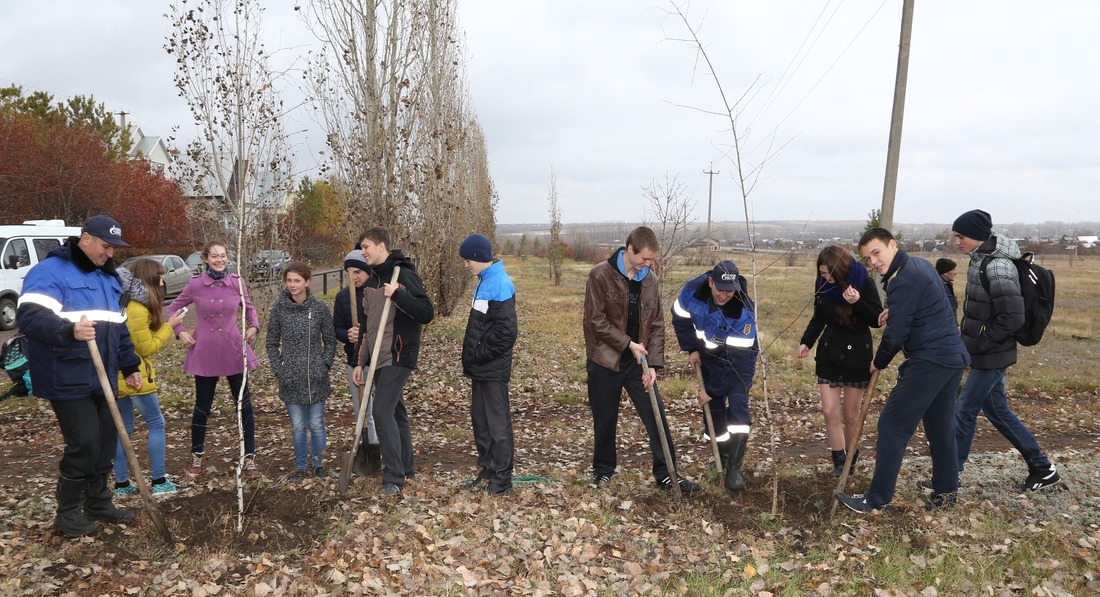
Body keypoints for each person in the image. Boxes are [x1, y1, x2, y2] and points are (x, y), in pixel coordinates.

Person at [17, 214, 141, 537]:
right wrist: (69, 330)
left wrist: (130, 366)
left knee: (104, 443)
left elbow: (119, 328)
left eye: (114, 248)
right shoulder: (49, 273)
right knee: (84, 442)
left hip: (103, 377)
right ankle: (68, 512)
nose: (110, 253)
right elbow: (30, 318)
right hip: (66, 375)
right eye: (105, 245)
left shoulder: (108, 278)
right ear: (85, 238)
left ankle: (98, 501)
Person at [835, 227, 970, 514]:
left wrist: (879, 361)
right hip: (951, 358)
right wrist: (896, 310)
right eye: (868, 257)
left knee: (892, 426)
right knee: (940, 426)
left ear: (892, 245)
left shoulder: (902, 280)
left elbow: (895, 335)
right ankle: (946, 492)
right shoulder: (919, 265)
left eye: (876, 253)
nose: (873, 261)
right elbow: (932, 306)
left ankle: (876, 499)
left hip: (930, 361)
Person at [948, 209, 1060, 491]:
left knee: (964, 411)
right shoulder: (980, 260)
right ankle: (1042, 467)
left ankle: (949, 477)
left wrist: (980, 344)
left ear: (975, 235)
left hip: (991, 353)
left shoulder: (997, 267)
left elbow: (1012, 318)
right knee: (997, 410)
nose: (957, 242)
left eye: (960, 236)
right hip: (987, 351)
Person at [583, 226, 700, 493]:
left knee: (654, 413)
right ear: (630, 250)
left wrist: (655, 365)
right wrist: (628, 344)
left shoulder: (651, 280)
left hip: (639, 363)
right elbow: (595, 321)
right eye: (644, 259)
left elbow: (656, 324)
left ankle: (667, 474)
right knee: (605, 418)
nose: (648, 264)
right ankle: (603, 471)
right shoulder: (600, 275)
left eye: (651, 260)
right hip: (604, 360)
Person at [168, 241, 262, 478]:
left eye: (223, 255)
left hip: (233, 349)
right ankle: (196, 454)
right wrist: (180, 332)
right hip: (205, 350)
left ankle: (249, 457)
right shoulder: (195, 285)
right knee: (202, 406)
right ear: (206, 259)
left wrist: (254, 326)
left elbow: (249, 308)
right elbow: (173, 311)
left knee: (244, 405)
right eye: (215, 256)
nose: (220, 259)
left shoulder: (236, 282)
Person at [352, 227, 435, 496]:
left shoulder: (404, 275)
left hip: (399, 354)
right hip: (377, 357)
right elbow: (366, 326)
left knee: (382, 411)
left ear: (381, 246)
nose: (362, 252)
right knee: (396, 412)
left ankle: (393, 477)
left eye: (366, 247)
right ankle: (406, 468)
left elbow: (425, 313)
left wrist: (398, 294)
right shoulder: (371, 280)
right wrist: (359, 362)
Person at [672, 260, 758, 492]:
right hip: (707, 353)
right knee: (715, 411)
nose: (723, 295)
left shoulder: (743, 311)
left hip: (739, 359)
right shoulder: (692, 292)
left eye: (729, 291)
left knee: (738, 405)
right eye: (720, 289)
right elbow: (680, 317)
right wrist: (691, 348)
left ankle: (734, 468)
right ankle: (721, 459)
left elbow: (736, 364)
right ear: (710, 282)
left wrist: (711, 391)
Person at [797, 246, 883, 477]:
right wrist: (806, 342)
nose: (825, 278)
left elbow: (877, 319)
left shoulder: (863, 281)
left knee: (851, 415)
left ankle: (851, 460)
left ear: (841, 269)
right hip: (830, 353)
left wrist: (857, 301)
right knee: (829, 411)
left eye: (829, 273)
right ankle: (839, 463)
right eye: (822, 273)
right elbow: (819, 317)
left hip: (857, 355)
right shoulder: (823, 286)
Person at [112, 258, 190, 497]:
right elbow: (144, 348)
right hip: (134, 375)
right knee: (156, 424)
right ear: (148, 278)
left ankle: (122, 485)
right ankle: (158, 480)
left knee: (123, 429)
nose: (163, 281)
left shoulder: (125, 301)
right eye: (159, 276)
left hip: (118, 375)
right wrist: (170, 326)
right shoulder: (137, 306)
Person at [458, 234, 518, 495]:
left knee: (497, 425)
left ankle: (502, 480)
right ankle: (488, 470)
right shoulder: (485, 281)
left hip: (492, 369)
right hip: (480, 368)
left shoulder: (500, 283)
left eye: (467, 260)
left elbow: (506, 333)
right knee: (481, 422)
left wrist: (479, 353)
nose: (465, 265)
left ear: (479, 257)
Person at [266, 262, 336, 482]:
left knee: (316, 423)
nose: (292, 284)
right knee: (297, 426)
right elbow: (271, 343)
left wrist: (324, 365)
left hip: (316, 377)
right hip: (290, 378)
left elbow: (330, 340)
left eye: (297, 280)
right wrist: (279, 369)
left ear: (307, 282)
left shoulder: (319, 309)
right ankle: (300, 466)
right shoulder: (279, 309)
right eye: (289, 280)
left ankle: (319, 464)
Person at [334, 247, 381, 476]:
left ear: (367, 271)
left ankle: (382, 450)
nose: (354, 276)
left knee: (382, 410)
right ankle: (367, 451)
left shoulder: (377, 293)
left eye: (358, 272)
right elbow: (337, 329)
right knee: (362, 412)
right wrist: (347, 334)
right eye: (350, 272)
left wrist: (364, 333)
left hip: (379, 362)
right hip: (354, 363)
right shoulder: (343, 297)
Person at [935, 257, 959, 323]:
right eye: (953, 270)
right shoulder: (941, 287)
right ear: (945, 272)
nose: (956, 272)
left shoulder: (944, 284)